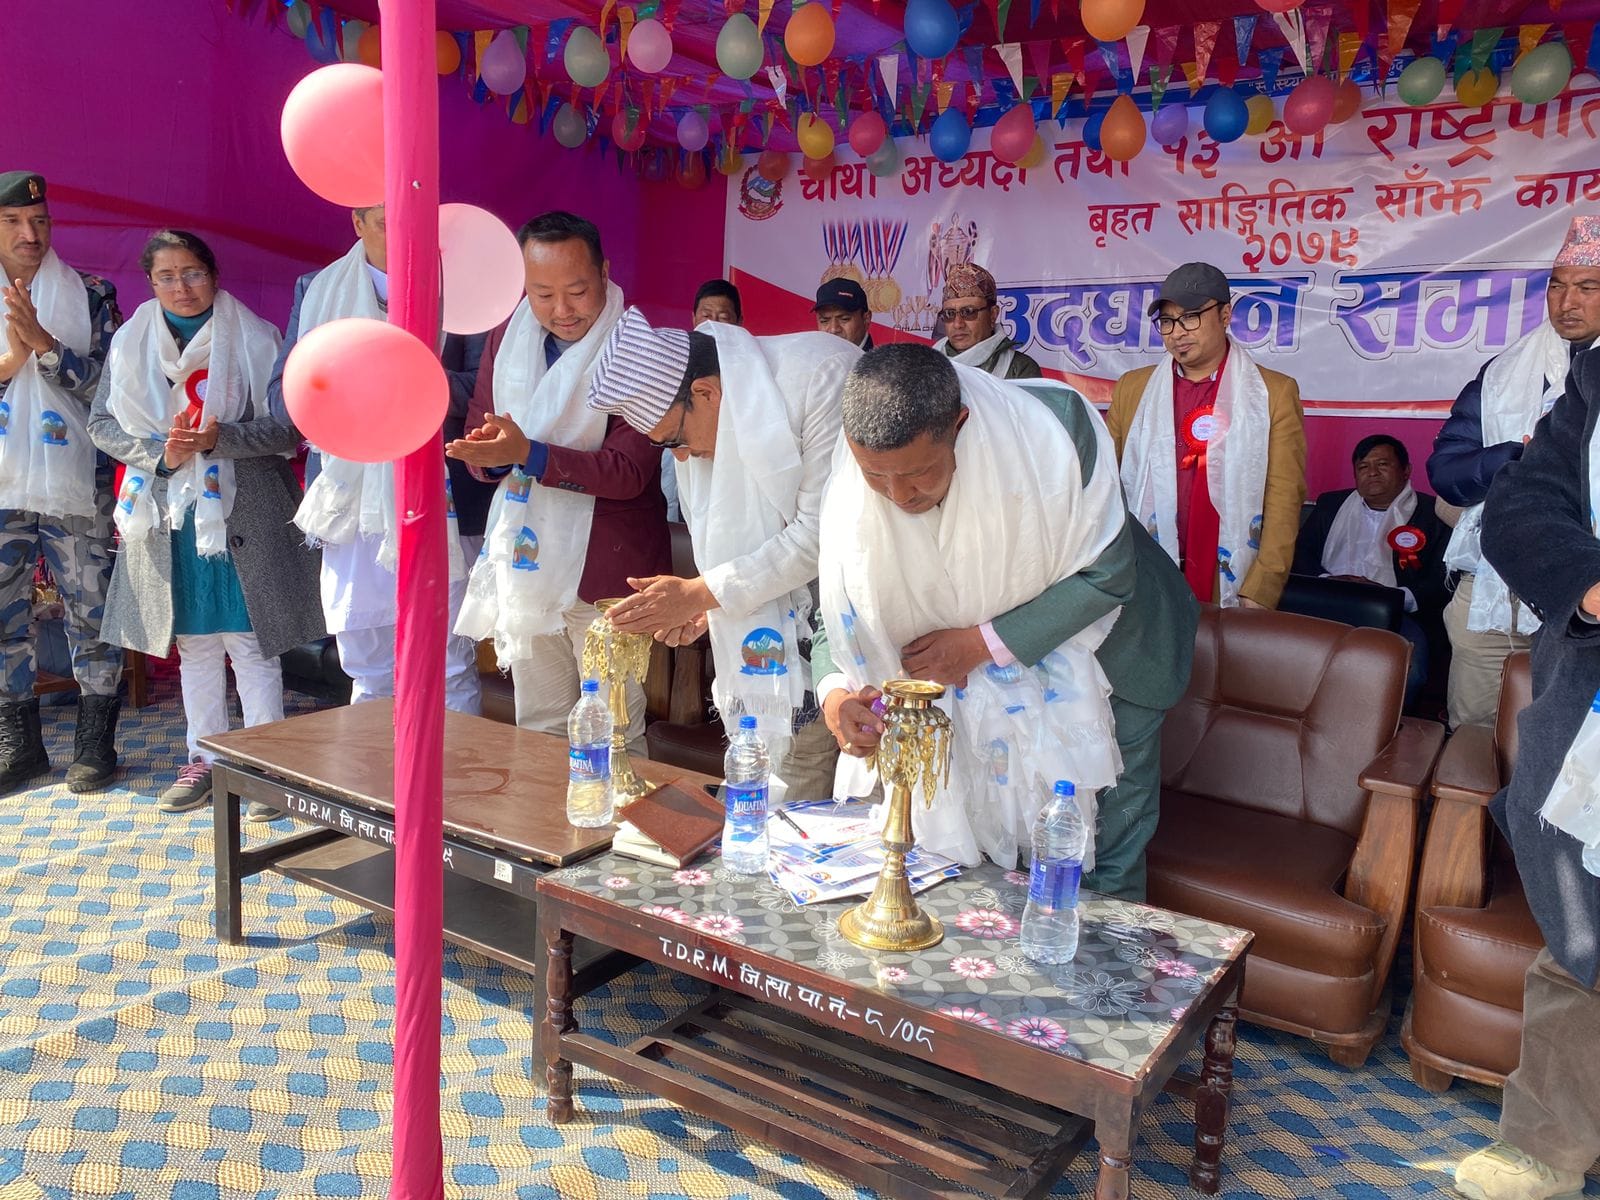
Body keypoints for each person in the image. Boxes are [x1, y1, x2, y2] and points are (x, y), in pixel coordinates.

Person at [810, 345, 1197, 900]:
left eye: (918, 474)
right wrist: (835, 694)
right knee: (986, 862)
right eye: (877, 476)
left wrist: (979, 644)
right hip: (965, 690)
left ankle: (1095, 958)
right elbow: (840, 604)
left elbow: (1109, 575)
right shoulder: (852, 477)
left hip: (1111, 649)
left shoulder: (1053, 433)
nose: (898, 497)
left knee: (1097, 858)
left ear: (959, 426)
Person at [89, 230, 323, 818]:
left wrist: (221, 439)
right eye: (166, 276)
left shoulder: (258, 337)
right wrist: (162, 455)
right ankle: (207, 758)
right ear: (150, 282)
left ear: (214, 275)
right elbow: (102, 425)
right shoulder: (130, 341)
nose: (182, 287)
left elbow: (289, 426)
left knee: (251, 643)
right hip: (171, 512)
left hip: (247, 510)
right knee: (194, 646)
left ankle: (267, 765)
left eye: (192, 273)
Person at [584, 309, 858, 801]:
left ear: (706, 393)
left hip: (848, 622)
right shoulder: (705, 418)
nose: (680, 457)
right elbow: (727, 551)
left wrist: (702, 593)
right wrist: (706, 607)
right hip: (783, 632)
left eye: (676, 440)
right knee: (760, 784)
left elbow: (822, 535)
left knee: (790, 796)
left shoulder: (821, 377)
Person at [1453, 341, 1600, 1200]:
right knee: (1582, 932)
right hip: (1591, 700)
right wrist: (1589, 584)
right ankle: (1547, 1146)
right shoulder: (1592, 383)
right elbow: (1520, 504)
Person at [446, 211, 669, 748]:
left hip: (608, 575)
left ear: (605, 272)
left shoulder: (640, 345)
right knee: (540, 724)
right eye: (543, 294)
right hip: (528, 560)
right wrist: (491, 456)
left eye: (577, 291)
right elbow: (482, 427)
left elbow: (629, 471)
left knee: (613, 730)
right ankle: (545, 807)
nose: (561, 311)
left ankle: (616, 809)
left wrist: (529, 453)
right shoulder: (509, 335)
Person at [268, 204, 491, 715]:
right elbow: (282, 398)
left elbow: (485, 389)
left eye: (414, 218)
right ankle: (373, 770)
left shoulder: (459, 285)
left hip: (442, 495)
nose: (406, 232)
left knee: (449, 662)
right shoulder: (317, 288)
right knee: (368, 666)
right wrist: (351, 386)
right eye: (388, 221)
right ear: (357, 223)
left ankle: (455, 770)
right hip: (353, 502)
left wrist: (409, 379)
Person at [1428, 215, 1600, 729]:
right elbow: (1445, 471)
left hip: (1583, 596)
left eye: (1587, 287)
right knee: (1472, 734)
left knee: (1562, 746)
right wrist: (1514, 456)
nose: (1567, 303)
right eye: (1557, 286)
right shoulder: (1505, 372)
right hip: (1490, 590)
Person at [0, 171, 125, 793]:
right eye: (13, 222)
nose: (30, 233)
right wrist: (11, 361)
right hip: (3, 483)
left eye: (40, 221)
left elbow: (114, 389)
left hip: (79, 479)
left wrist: (47, 346)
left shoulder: (93, 295)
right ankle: (20, 747)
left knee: (91, 610)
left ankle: (95, 745)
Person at [1107, 262, 1306, 609]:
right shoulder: (1133, 389)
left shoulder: (1273, 392)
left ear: (1225, 315)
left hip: (1227, 577)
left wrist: (1260, 589)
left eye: (1190, 317)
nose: (1177, 333)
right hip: (1143, 569)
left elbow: (1284, 496)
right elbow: (1104, 482)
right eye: (1167, 321)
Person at [1292, 434, 1450, 706]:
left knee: (1410, 675)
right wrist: (1331, 581)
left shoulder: (1432, 513)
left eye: (1383, 465)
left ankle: (1382, 726)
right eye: (1363, 466)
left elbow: (1444, 579)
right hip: (1327, 604)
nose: (1372, 472)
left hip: (1399, 615)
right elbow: (1300, 556)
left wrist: (1392, 596)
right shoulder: (1331, 505)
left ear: (1406, 470)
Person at [931, 263, 1042, 379]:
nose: (957, 324)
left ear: (993, 315)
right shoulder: (928, 366)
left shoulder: (1019, 369)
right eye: (949, 313)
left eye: (968, 312)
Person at [812, 279, 873, 350]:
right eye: (824, 321)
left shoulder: (881, 358)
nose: (833, 329)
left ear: (866, 319)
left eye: (844, 319)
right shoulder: (810, 355)